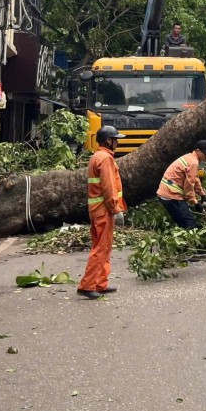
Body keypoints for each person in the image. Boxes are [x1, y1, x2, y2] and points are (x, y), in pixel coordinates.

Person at [78, 126, 127, 299]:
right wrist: (116, 209)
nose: (118, 142)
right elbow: (108, 186)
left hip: (98, 209)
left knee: (103, 247)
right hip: (104, 210)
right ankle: (88, 285)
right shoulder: (105, 158)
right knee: (101, 248)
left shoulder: (97, 156)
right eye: (116, 139)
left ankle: (100, 283)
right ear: (108, 140)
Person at [156, 140, 206, 228]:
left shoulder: (190, 157)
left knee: (183, 222)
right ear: (198, 151)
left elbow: (194, 178)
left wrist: (202, 194)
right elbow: (189, 185)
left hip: (167, 193)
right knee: (189, 224)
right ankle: (190, 240)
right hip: (171, 195)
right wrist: (195, 203)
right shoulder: (193, 162)